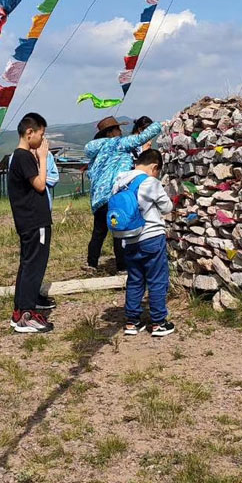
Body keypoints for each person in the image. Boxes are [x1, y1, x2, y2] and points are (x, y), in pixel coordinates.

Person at [84, 115, 162, 274]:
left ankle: (91, 264)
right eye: (118, 129)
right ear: (110, 132)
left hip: (98, 198)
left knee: (99, 231)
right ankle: (122, 266)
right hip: (115, 194)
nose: (120, 131)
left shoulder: (97, 151)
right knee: (119, 230)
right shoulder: (119, 143)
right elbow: (143, 137)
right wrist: (162, 124)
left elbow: (90, 173)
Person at [110, 148, 175, 337]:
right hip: (151, 237)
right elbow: (167, 206)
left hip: (128, 239)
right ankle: (158, 322)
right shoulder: (150, 182)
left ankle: (132, 322)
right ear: (155, 167)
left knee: (135, 280)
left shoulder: (120, 181)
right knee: (157, 279)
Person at [7, 113, 55, 334]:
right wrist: (43, 158)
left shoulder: (19, 157)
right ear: (30, 133)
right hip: (35, 221)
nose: (42, 140)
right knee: (35, 265)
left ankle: (20, 311)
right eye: (41, 135)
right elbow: (40, 185)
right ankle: (26, 314)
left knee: (27, 264)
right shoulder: (23, 156)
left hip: (28, 221)